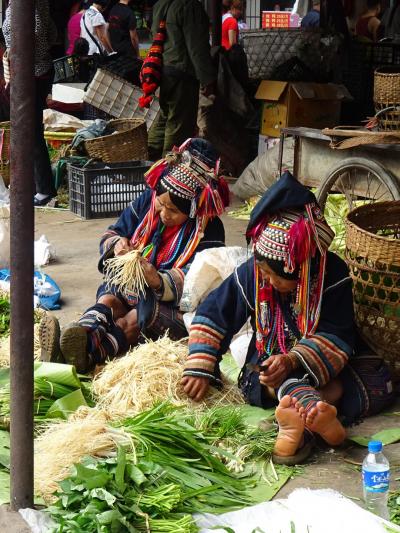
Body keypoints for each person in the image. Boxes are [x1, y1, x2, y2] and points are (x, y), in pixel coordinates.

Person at [181, 172, 394, 464]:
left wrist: (293, 359)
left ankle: (297, 421)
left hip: (329, 364)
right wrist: (200, 364)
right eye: (263, 272)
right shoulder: (254, 273)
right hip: (269, 366)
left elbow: (338, 336)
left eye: (274, 276)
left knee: (378, 380)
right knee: (268, 378)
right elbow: (215, 312)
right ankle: (319, 416)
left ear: (301, 272)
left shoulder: (332, 276)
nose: (265, 281)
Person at [39, 138, 229, 374]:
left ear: (193, 210)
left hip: (172, 306)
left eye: (174, 211)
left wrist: (158, 280)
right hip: (131, 288)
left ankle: (85, 356)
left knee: (131, 320)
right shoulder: (147, 204)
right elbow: (113, 232)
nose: (163, 214)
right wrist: (117, 244)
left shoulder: (209, 229)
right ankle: (79, 338)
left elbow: (203, 280)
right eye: (161, 204)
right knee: (109, 300)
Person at [3, 0, 58, 206]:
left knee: (31, 133)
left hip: (31, 73)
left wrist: (20, 54)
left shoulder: (26, 3)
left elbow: (34, 29)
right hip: (36, 70)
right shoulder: (41, 3)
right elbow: (51, 32)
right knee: (30, 132)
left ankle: (43, 189)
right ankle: (38, 186)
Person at [147, 0, 216, 161]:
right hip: (182, 72)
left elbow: (154, 36)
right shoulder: (189, 6)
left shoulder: (160, 4)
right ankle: (167, 167)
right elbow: (197, 47)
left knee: (164, 118)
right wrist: (207, 79)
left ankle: (148, 160)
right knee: (178, 125)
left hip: (164, 70)